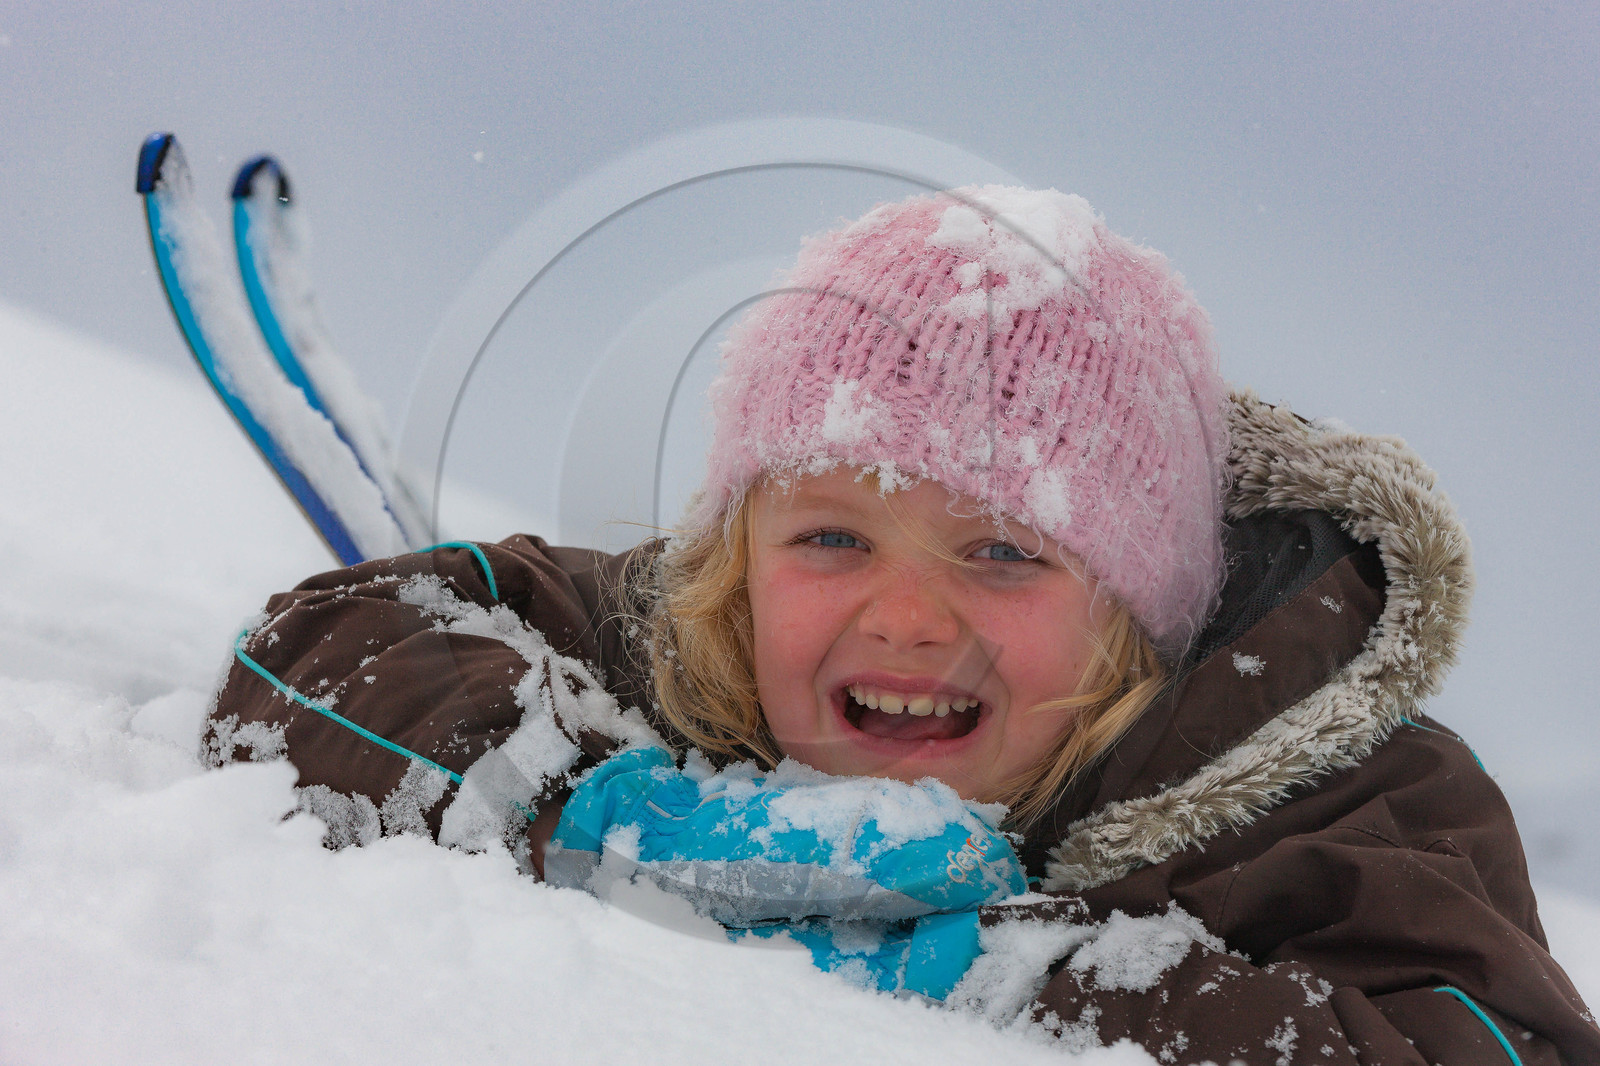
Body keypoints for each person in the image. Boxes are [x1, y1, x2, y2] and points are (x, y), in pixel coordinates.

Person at [206, 185, 1598, 1063]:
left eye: (1002, 551)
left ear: (1139, 619)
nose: (908, 613)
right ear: (739, 560)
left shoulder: (1347, 797)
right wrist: (589, 809)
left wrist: (1018, 973)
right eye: (829, 536)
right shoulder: (711, 650)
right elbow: (327, 647)